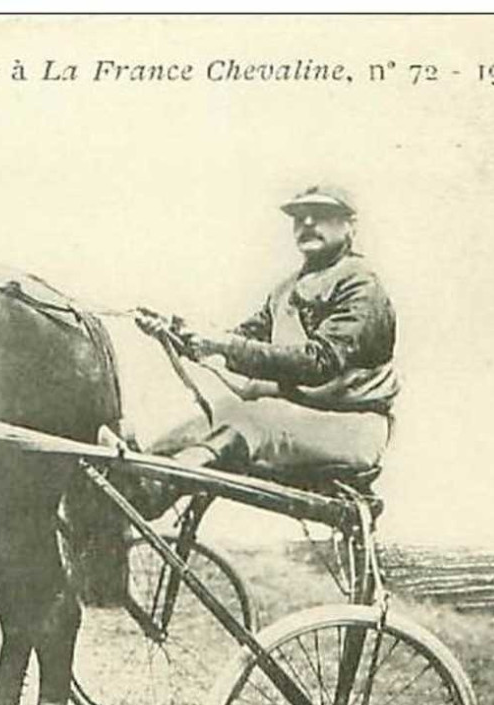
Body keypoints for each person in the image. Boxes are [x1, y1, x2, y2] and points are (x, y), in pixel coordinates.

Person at [124, 184, 398, 517]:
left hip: (350, 428)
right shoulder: (285, 291)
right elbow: (237, 346)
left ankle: (153, 488)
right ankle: (133, 477)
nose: (307, 223)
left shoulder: (361, 284)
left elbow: (319, 362)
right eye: (298, 217)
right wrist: (176, 333)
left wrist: (222, 343)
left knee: (250, 418)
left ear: (350, 225)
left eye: (321, 215)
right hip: (295, 419)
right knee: (213, 418)